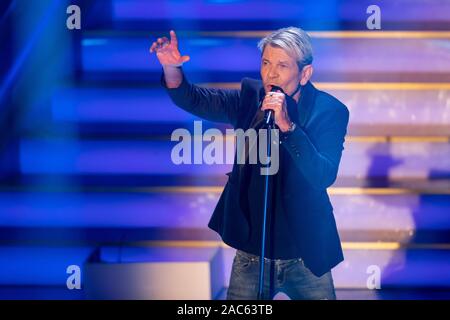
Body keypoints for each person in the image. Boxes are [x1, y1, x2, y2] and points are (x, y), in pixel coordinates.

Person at [150, 27, 349, 300]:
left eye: (282, 65)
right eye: (266, 63)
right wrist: (172, 68)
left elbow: (323, 175)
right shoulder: (250, 98)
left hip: (306, 254)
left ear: (305, 73)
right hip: (253, 254)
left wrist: (288, 127)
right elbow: (194, 98)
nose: (271, 74)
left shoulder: (329, 111)